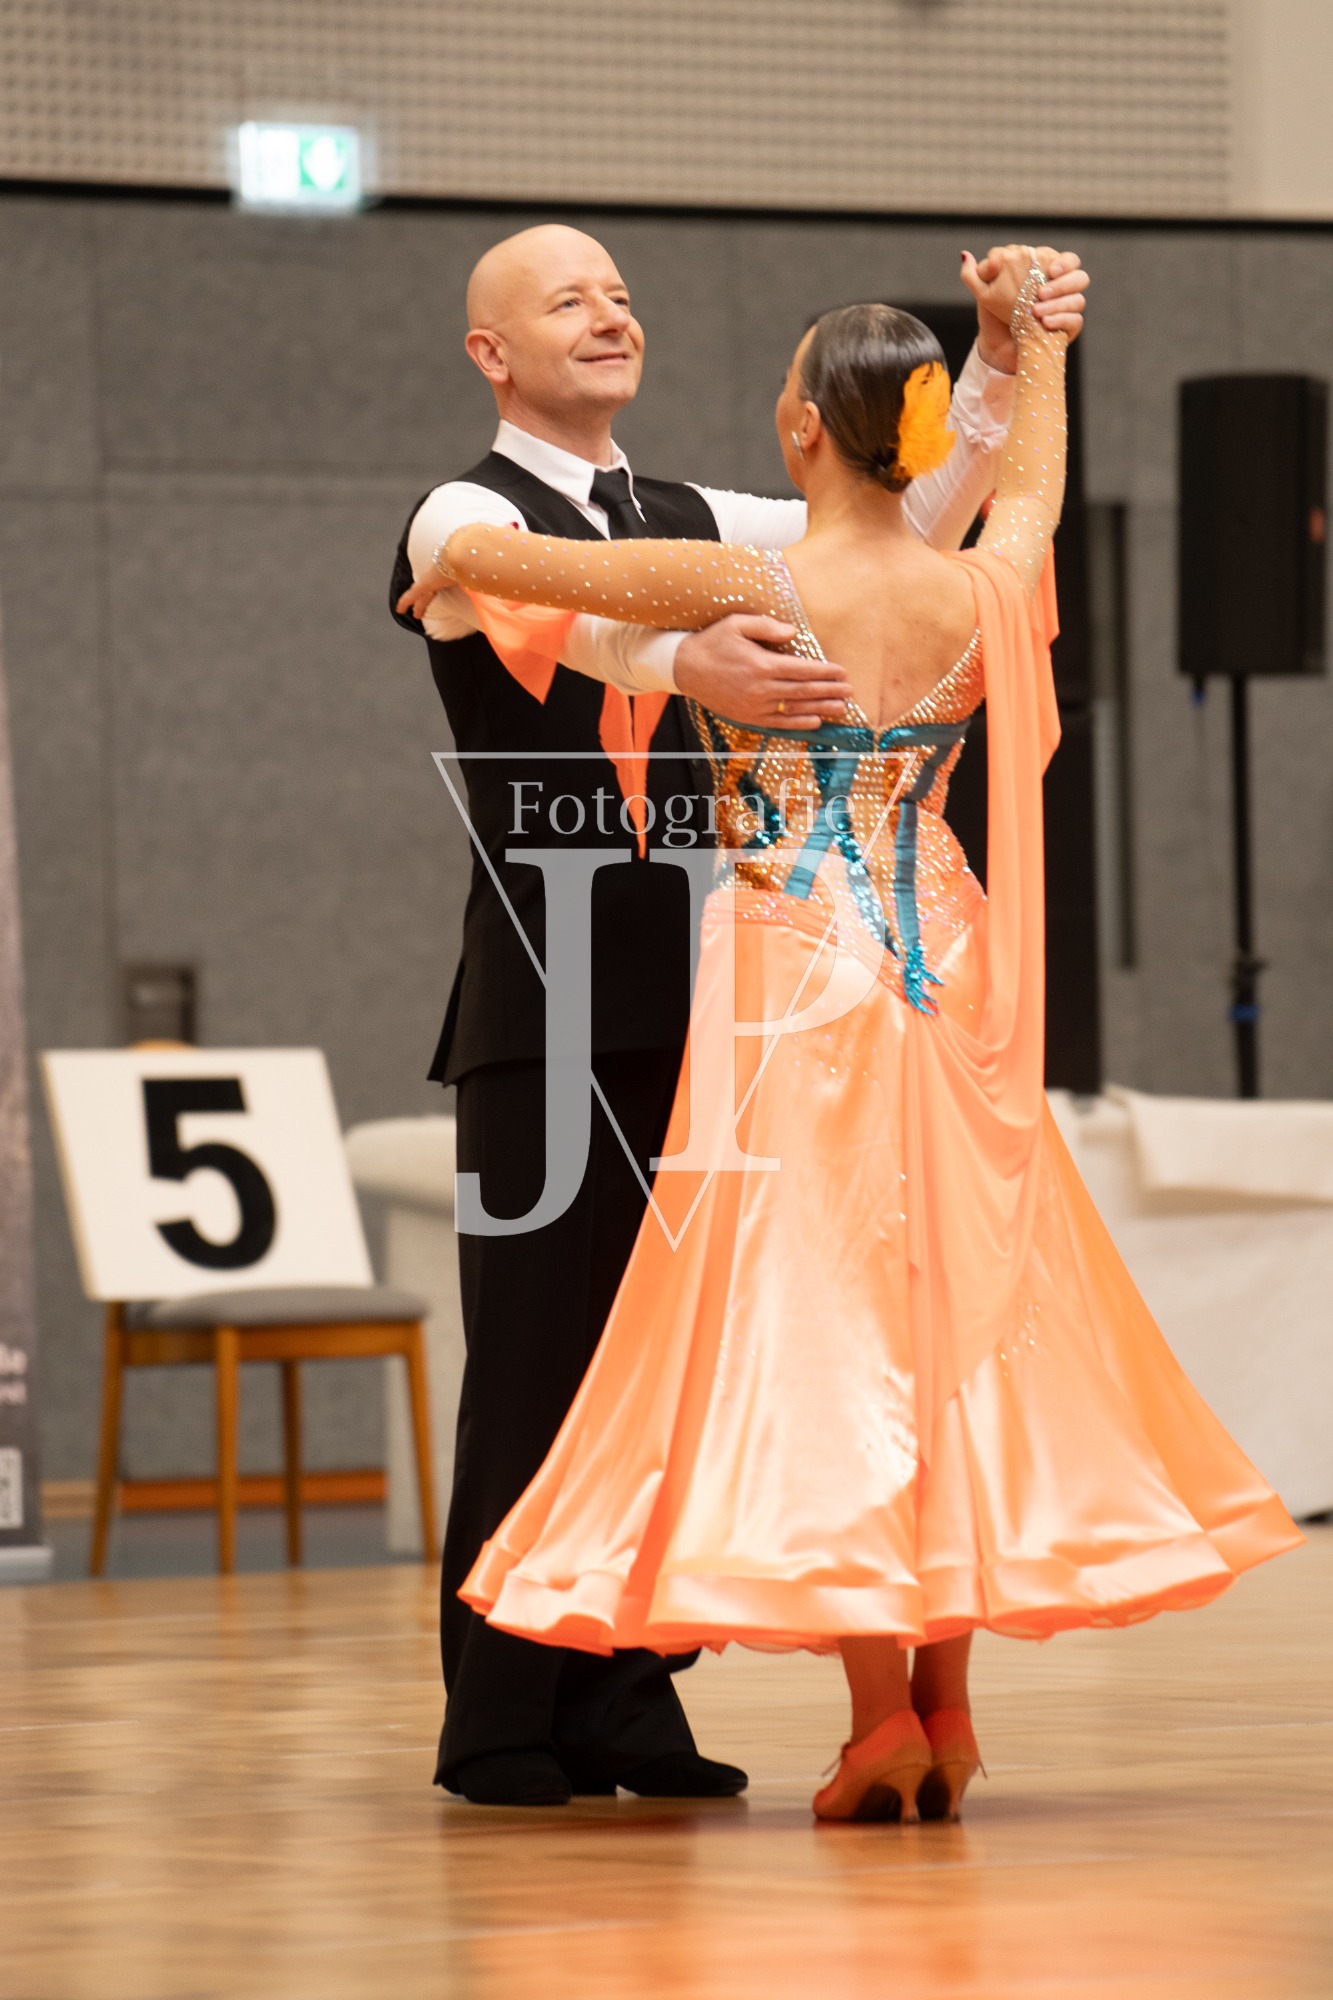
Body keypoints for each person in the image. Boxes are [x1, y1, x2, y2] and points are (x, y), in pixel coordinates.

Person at [399, 246, 1302, 1825]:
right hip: (832, 968)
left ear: (800, 426)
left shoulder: (732, 555)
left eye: (620, 291)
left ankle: (728, 1703)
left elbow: (581, 573)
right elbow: (985, 501)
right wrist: (1028, 362)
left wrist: (484, 569)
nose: (612, 312)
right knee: (880, 1318)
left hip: (781, 978)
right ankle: (574, 1715)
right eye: (571, 300)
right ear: (489, 349)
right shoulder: (961, 585)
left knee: (804, 1327)